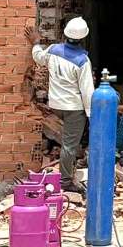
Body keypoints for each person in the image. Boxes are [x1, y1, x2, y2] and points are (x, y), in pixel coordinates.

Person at [25, 18, 94, 193]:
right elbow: (87, 92)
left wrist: (36, 42)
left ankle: (70, 168)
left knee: (68, 141)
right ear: (84, 38)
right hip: (73, 109)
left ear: (65, 34)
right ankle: (65, 181)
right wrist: (91, 115)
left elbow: (38, 58)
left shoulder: (54, 50)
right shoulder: (83, 61)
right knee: (69, 146)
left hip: (55, 104)